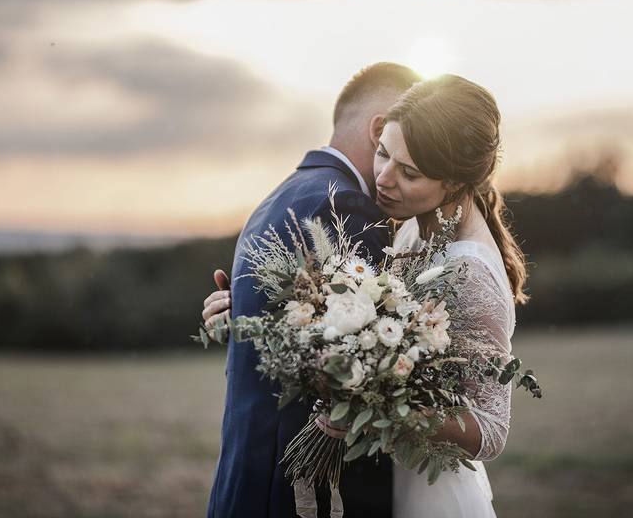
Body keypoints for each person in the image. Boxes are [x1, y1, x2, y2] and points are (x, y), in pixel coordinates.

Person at [203, 73, 529, 517]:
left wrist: (379, 409)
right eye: (382, 154)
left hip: (429, 493)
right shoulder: (412, 228)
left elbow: (491, 430)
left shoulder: (471, 271)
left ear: (453, 183)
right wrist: (255, 314)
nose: (384, 178)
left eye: (409, 172)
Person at [205, 62, 422, 518]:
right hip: (300, 492)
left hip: (246, 480)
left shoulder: (286, 193)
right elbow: (367, 363)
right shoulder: (346, 206)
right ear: (382, 129)